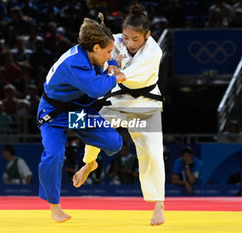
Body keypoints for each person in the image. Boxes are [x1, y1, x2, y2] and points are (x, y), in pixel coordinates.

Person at [73, 4, 166, 225]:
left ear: (147, 35)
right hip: (118, 100)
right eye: (126, 37)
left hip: (145, 104)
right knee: (95, 129)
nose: (130, 43)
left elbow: (126, 75)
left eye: (136, 39)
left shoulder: (154, 52)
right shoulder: (116, 42)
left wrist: (116, 70)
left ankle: (159, 204)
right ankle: (89, 163)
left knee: (152, 153)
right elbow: (98, 51)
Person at [37, 13, 125, 223]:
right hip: (54, 114)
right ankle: (55, 207)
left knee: (114, 143)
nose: (110, 54)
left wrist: (112, 64)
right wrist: (116, 77)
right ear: (95, 48)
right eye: (108, 51)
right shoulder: (73, 64)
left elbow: (107, 63)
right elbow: (96, 89)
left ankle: (89, 164)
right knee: (54, 155)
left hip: (77, 113)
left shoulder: (93, 54)